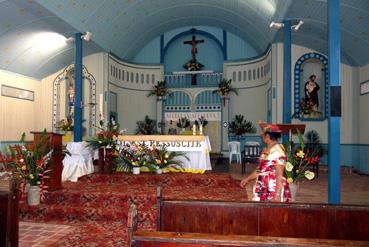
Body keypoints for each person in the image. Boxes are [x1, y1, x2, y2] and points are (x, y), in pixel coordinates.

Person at [240, 123, 291, 202]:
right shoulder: (266, 150)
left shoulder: (278, 151)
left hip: (272, 188)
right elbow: (260, 170)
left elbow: (279, 174)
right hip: (262, 186)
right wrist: (247, 179)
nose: (261, 135)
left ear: (267, 136)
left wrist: (277, 194)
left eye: (262, 134)